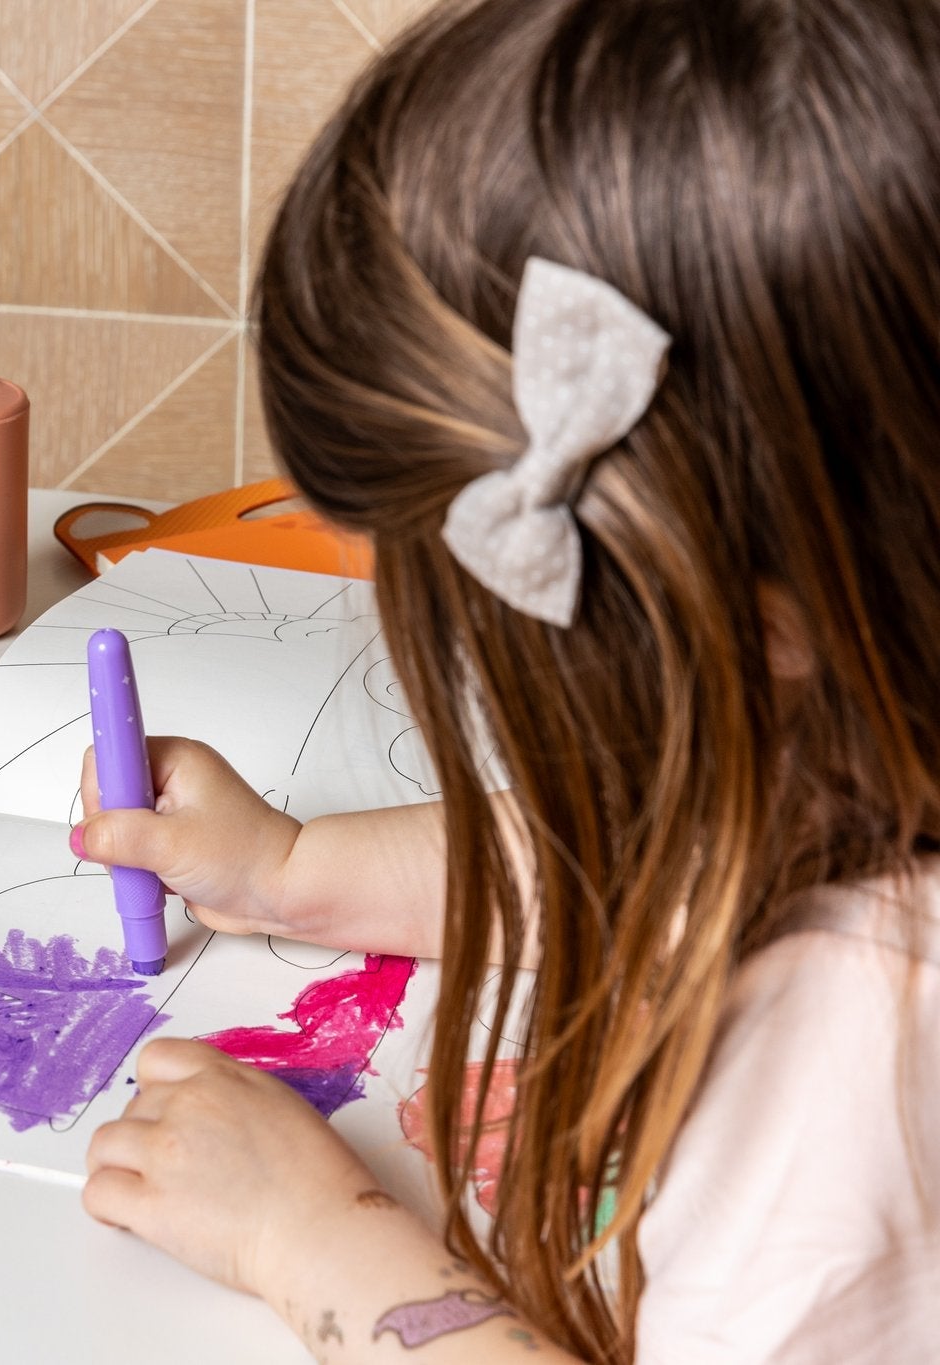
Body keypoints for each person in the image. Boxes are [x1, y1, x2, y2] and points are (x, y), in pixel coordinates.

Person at [70, 1, 940, 1360]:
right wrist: (297, 868)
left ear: (744, 621)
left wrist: (315, 1238)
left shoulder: (848, 1071)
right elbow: (684, 852)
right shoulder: (865, 721)